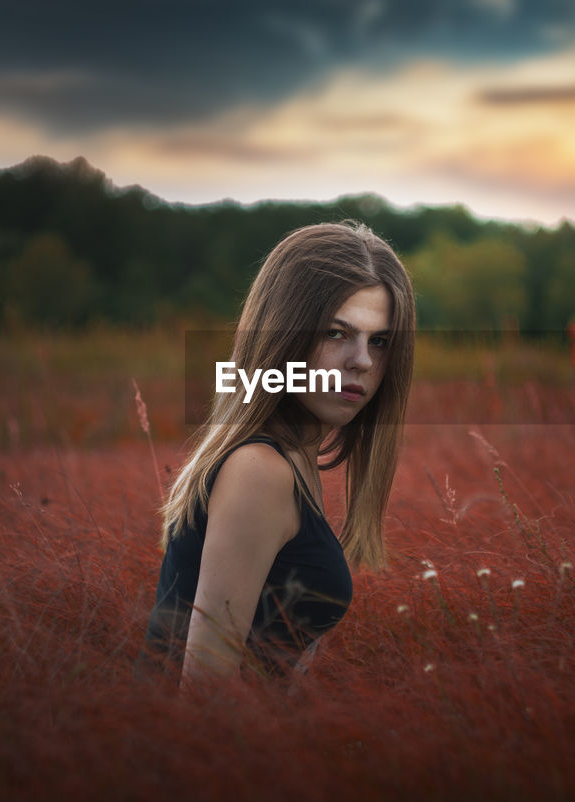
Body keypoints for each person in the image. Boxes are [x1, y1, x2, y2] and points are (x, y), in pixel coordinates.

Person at [140, 221, 415, 687]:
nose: (362, 361)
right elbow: (204, 693)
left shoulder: (296, 458)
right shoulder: (260, 470)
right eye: (335, 333)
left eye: (380, 341)